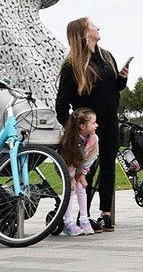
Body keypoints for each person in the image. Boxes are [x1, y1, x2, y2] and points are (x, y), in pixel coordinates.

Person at [55, 17, 129, 232]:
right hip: (87, 127)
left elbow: (113, 88)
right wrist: (72, 127)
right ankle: (80, 215)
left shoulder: (106, 56)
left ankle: (105, 213)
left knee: (108, 167)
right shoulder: (73, 65)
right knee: (87, 171)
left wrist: (122, 78)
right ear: (85, 32)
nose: (98, 27)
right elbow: (62, 102)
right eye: (93, 25)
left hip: (109, 121)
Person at [57, 108, 99, 236]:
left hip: (79, 166)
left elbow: (91, 157)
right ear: (82, 126)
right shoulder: (70, 141)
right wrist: (71, 178)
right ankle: (68, 221)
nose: (96, 125)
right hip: (65, 166)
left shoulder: (93, 139)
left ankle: (84, 219)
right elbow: (67, 161)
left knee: (81, 187)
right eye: (93, 123)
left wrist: (83, 175)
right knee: (71, 189)